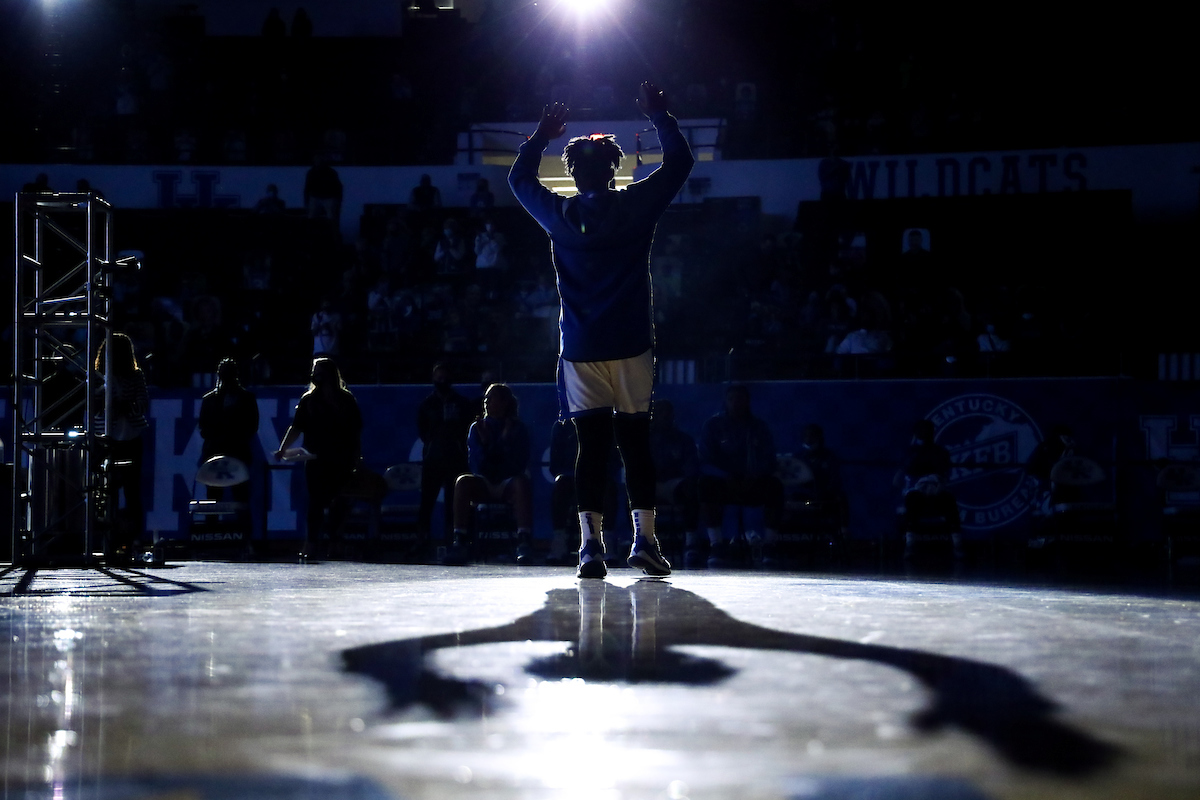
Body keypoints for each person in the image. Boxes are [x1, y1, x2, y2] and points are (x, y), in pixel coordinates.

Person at [508, 81, 694, 579]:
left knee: (590, 449)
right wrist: (660, 114)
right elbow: (679, 164)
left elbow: (519, 179)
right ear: (614, 170)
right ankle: (645, 543)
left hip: (581, 349)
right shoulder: (636, 205)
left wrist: (541, 135)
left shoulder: (559, 214)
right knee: (635, 444)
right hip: (631, 345)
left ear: (571, 173)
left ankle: (590, 548)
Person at [274, 358, 363, 560]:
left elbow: (355, 431)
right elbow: (297, 426)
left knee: (340, 502)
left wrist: (357, 456)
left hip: (342, 458)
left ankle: (335, 541)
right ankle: (312, 543)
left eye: (319, 371)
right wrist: (283, 448)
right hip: (316, 459)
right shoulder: (309, 400)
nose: (315, 375)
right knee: (315, 503)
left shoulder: (346, 400)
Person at [696, 384, 784, 567]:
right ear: (725, 401)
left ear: (748, 401)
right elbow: (705, 460)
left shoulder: (759, 427)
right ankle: (716, 544)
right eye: (732, 398)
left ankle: (769, 545)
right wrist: (726, 476)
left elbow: (770, 459)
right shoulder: (712, 425)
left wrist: (754, 476)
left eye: (740, 398)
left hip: (753, 482)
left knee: (775, 486)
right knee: (705, 485)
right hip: (723, 483)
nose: (736, 403)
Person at [450, 383, 533, 561]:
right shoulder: (476, 428)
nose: (486, 402)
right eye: (485, 398)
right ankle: (460, 540)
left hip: (507, 482)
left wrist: (501, 441)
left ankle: (523, 541)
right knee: (462, 481)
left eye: (491, 398)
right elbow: (478, 466)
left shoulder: (518, 428)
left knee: (521, 482)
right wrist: (493, 444)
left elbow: (517, 464)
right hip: (485, 482)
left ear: (504, 402)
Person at [93, 333, 150, 561]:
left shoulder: (136, 376)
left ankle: (130, 539)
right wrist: (106, 405)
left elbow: (142, 403)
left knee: (131, 491)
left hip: (130, 437)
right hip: (106, 438)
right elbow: (92, 406)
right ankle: (110, 538)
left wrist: (124, 406)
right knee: (107, 491)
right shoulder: (98, 378)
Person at [415, 363, 475, 546]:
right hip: (433, 459)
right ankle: (421, 540)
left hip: (456, 459)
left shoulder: (463, 403)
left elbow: (468, 428)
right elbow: (422, 429)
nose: (442, 382)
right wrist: (433, 441)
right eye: (438, 378)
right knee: (427, 501)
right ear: (433, 379)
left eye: (445, 378)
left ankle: (454, 540)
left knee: (453, 502)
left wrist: (457, 443)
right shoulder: (427, 405)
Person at [896, 418, 963, 559]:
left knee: (949, 500)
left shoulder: (941, 452)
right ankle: (910, 545)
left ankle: (957, 545)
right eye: (921, 430)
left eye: (928, 430)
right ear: (916, 433)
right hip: (916, 492)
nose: (925, 433)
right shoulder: (910, 452)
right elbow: (903, 473)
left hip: (937, 491)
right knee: (912, 501)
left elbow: (942, 471)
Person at [198, 359, 259, 504]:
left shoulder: (246, 399)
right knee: (215, 497)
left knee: (240, 497)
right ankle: (213, 525)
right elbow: (203, 428)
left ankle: (241, 525)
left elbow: (252, 427)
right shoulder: (210, 400)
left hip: (236, 453)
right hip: (217, 453)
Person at [304, 155, 343, 230]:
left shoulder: (330, 172)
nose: (318, 162)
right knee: (312, 217)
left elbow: (337, 186)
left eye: (320, 161)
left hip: (328, 197)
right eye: (317, 161)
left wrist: (338, 199)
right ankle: (312, 233)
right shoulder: (311, 172)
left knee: (331, 218)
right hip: (316, 197)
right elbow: (307, 187)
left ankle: (332, 233)